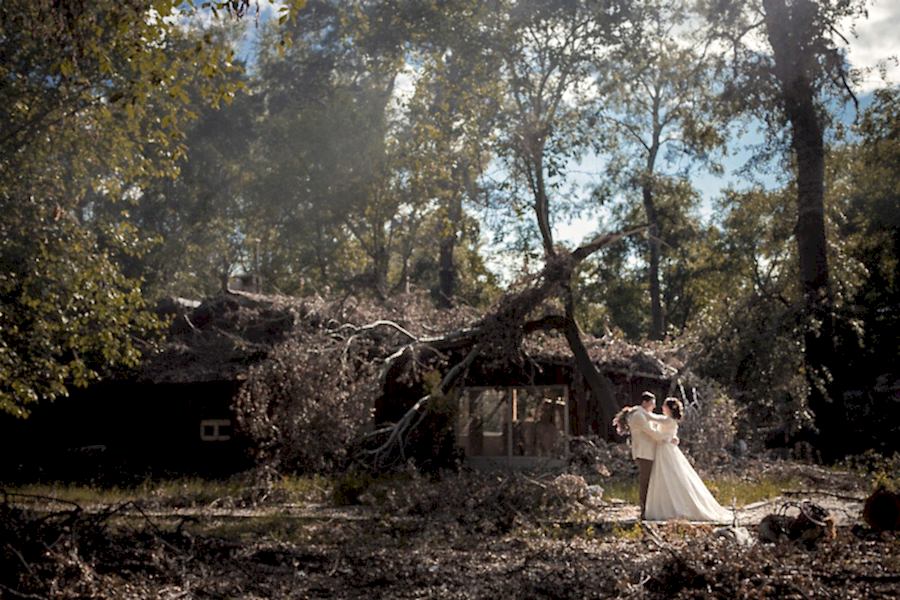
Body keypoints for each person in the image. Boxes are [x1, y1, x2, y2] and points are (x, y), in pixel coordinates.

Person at [644, 397, 733, 523]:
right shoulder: (670, 421)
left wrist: (639, 410)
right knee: (666, 476)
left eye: (664, 406)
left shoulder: (667, 420)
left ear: (669, 408)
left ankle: (671, 508)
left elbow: (652, 418)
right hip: (666, 449)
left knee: (668, 475)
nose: (662, 407)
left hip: (665, 450)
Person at [620, 391, 671, 520]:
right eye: (652, 404)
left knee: (650, 480)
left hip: (648, 451)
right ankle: (643, 510)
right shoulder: (638, 416)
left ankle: (649, 508)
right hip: (644, 452)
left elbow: (657, 419)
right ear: (645, 402)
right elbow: (651, 432)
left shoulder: (643, 414)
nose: (654, 407)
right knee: (645, 481)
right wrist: (668, 438)